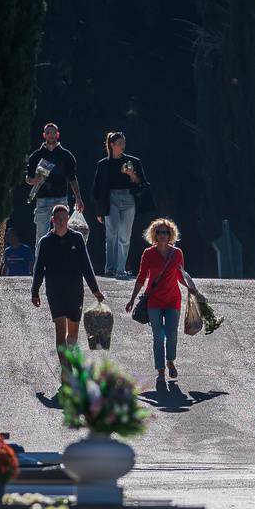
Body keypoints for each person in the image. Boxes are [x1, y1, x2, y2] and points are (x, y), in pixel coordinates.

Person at [31, 204, 105, 362]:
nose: (62, 222)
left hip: (75, 292)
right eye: (58, 219)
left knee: (72, 336)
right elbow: (38, 269)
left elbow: (86, 266)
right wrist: (35, 292)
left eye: (65, 219)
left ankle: (69, 362)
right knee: (60, 333)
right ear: (52, 220)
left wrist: (95, 290)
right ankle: (66, 373)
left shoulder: (77, 239)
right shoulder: (45, 242)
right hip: (55, 292)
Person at [128, 218, 187, 386]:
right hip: (153, 300)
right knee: (158, 336)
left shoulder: (177, 253)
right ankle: (160, 371)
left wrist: (191, 288)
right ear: (155, 235)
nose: (163, 235)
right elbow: (141, 277)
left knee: (172, 333)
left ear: (171, 235)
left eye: (166, 232)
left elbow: (180, 275)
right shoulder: (148, 253)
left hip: (172, 299)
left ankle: (170, 361)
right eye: (160, 232)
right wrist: (132, 299)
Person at [90, 132, 149, 279]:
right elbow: (97, 188)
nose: (122, 146)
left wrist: (131, 174)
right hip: (111, 199)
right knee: (112, 232)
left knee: (125, 235)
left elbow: (142, 182)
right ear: (111, 145)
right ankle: (110, 268)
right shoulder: (103, 164)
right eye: (119, 144)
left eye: (124, 143)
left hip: (129, 199)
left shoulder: (133, 161)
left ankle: (120, 268)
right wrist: (99, 210)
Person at [23, 122, 83, 258]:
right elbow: (28, 178)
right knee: (41, 235)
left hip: (60, 200)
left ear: (58, 134)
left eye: (53, 132)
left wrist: (78, 198)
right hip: (42, 199)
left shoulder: (66, 155)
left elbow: (72, 178)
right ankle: (40, 266)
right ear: (44, 135)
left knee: (62, 233)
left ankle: (61, 262)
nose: (51, 135)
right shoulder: (36, 156)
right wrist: (34, 181)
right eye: (48, 132)